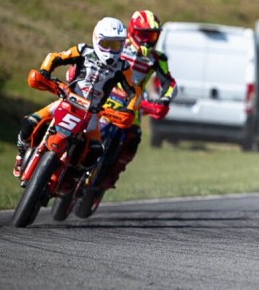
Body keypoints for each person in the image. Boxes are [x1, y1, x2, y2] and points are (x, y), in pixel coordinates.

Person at [14, 18, 135, 177]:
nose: (111, 51)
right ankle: (21, 153)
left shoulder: (123, 67)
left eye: (116, 45)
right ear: (96, 38)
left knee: (95, 151)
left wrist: (129, 109)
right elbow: (55, 57)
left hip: (92, 114)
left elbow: (134, 91)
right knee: (29, 123)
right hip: (67, 101)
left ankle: (74, 176)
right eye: (107, 44)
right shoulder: (82, 51)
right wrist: (45, 72)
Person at [103, 10, 177, 189]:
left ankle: (112, 175)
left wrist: (165, 100)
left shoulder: (158, 58)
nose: (147, 40)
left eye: (152, 36)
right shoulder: (117, 45)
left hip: (134, 103)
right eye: (143, 35)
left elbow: (169, 82)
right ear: (132, 31)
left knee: (133, 139)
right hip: (104, 95)